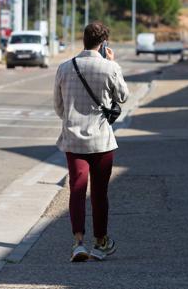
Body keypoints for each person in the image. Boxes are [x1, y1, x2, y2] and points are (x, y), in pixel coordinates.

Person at [54, 22, 129, 262]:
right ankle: (101, 241)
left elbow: (58, 107)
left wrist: (74, 118)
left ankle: (78, 243)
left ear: (83, 40)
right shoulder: (109, 68)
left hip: (73, 140)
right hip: (102, 142)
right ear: (103, 42)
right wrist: (113, 62)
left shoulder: (65, 68)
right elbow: (123, 96)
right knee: (99, 192)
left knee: (76, 189)